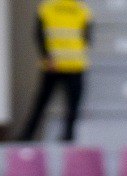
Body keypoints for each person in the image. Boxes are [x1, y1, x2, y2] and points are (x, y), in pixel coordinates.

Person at [19, 0, 92, 143]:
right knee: (72, 105)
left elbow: (39, 35)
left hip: (53, 64)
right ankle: (68, 136)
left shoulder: (47, 8)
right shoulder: (82, 9)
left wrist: (47, 56)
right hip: (75, 64)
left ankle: (27, 135)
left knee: (41, 104)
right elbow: (87, 37)